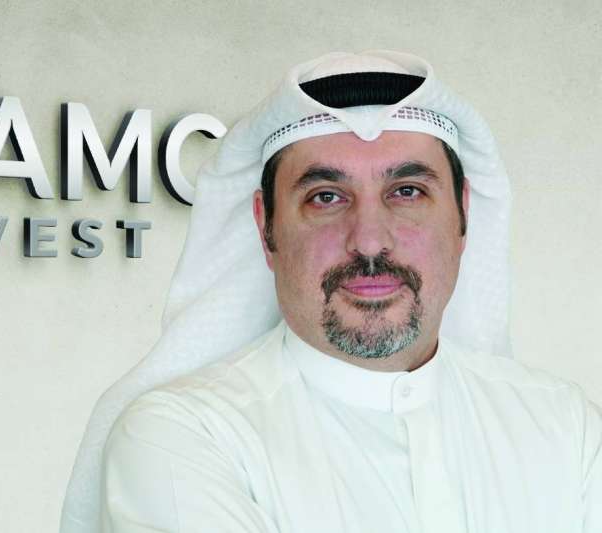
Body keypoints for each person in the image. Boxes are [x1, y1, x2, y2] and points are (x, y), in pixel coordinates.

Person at [61, 51, 601, 532]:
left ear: (463, 214)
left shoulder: (565, 425)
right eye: (326, 197)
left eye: (407, 191)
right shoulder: (183, 436)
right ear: (266, 228)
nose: (369, 240)